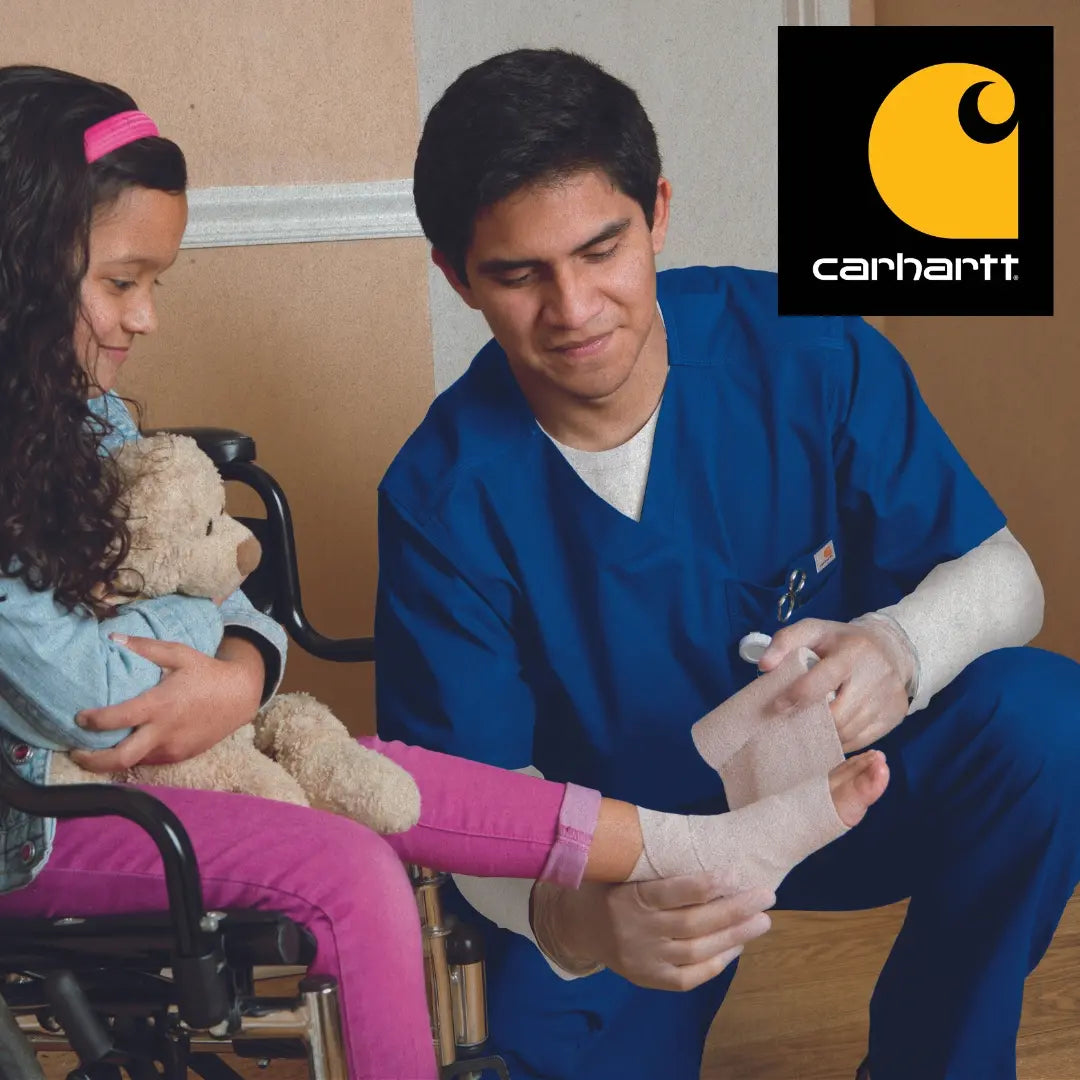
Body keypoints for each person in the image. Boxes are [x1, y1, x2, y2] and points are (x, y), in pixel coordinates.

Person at [0, 65, 895, 1080]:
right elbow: (97, 702)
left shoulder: (88, 420)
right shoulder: (448, 480)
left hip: (181, 753)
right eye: (123, 282)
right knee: (350, 869)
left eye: (155, 283)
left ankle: (689, 846)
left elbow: (238, 605)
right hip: (44, 821)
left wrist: (239, 668)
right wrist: (207, 637)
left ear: (656, 218)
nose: (147, 319)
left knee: (397, 773)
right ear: (21, 267)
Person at [377, 46, 1080, 1080]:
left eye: (601, 249)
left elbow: (1007, 576)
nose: (573, 310)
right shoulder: (443, 493)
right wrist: (587, 928)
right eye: (519, 275)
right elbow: (469, 801)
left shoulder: (808, 350)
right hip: (634, 870)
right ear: (455, 274)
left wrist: (897, 645)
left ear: (656, 213)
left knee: (1045, 717)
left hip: (852, 797)